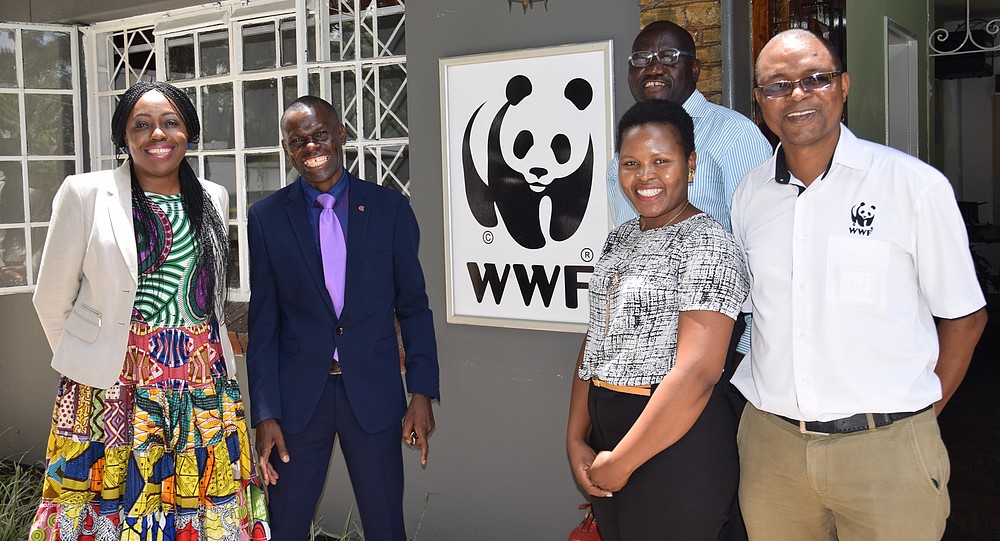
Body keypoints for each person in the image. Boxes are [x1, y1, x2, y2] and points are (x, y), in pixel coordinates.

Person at [731, 29, 988, 540]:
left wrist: (917, 416)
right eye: (778, 85)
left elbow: (965, 317)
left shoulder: (912, 187)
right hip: (772, 450)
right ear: (760, 102)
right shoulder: (750, 193)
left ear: (843, 86)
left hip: (887, 452)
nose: (797, 94)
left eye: (815, 78)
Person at [29, 81, 269, 540]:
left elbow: (205, 296)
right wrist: (90, 364)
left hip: (201, 387)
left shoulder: (213, 197)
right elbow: (52, 298)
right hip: (110, 392)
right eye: (141, 124)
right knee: (106, 507)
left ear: (188, 132)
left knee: (198, 505)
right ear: (124, 136)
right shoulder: (86, 193)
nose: (157, 134)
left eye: (170, 122)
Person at [246, 96, 439, 541]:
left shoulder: (390, 210)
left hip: (373, 396)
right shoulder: (266, 218)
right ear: (286, 150)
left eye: (320, 134)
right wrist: (265, 414)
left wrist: (422, 392)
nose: (311, 147)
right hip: (298, 404)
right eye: (298, 141)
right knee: (286, 526)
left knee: (386, 526)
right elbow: (264, 324)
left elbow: (414, 306)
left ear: (341, 135)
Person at [566, 99, 751, 540]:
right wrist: (575, 438)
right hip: (606, 435)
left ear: (691, 165)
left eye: (661, 161)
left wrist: (623, 461)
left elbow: (698, 372)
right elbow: (596, 341)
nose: (644, 176)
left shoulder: (708, 243)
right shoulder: (620, 239)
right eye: (631, 163)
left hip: (678, 441)